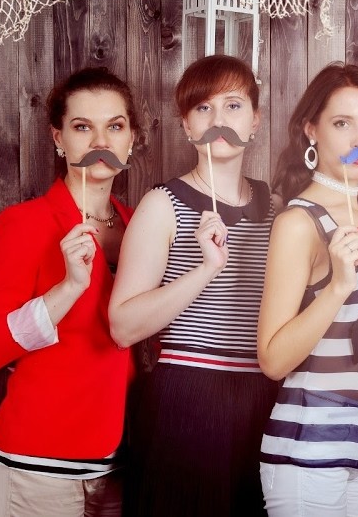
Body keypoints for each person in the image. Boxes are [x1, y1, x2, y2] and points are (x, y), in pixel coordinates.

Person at [108, 54, 276, 516]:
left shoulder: (277, 207)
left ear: (255, 120)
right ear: (186, 124)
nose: (218, 120)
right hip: (187, 396)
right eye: (203, 108)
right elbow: (122, 326)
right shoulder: (162, 204)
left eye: (233, 105)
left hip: (264, 400)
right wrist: (204, 270)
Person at [0, 66, 139, 516]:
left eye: (114, 126)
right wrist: (68, 289)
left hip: (121, 468)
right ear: (58, 138)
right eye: (82, 127)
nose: (100, 141)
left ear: (132, 139)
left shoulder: (142, 225)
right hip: (34, 472)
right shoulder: (22, 225)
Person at [257, 62, 358, 516]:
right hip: (308, 454)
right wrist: (338, 287)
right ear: (311, 130)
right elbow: (272, 359)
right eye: (342, 123)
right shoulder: (299, 223)